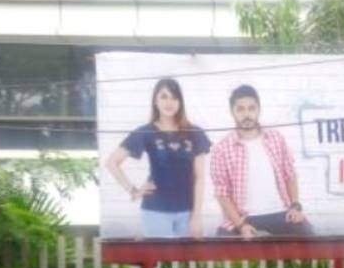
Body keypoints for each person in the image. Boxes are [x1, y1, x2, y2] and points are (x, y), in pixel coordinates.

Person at [105, 77, 211, 238]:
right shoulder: (146, 132)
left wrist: (196, 217)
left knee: (185, 263)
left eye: (174, 97)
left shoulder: (195, 133)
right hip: (155, 212)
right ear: (155, 101)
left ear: (180, 102)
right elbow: (112, 162)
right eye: (164, 96)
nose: (169, 102)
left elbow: (200, 178)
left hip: (187, 212)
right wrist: (133, 190)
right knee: (160, 263)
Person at [208, 84, 313, 238]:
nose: (247, 114)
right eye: (241, 109)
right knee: (222, 241)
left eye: (251, 108)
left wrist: (295, 206)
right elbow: (222, 194)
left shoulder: (276, 139)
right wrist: (241, 225)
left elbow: (290, 174)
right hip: (244, 217)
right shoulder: (222, 149)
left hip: (280, 212)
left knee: (307, 233)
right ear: (233, 112)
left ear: (258, 110)